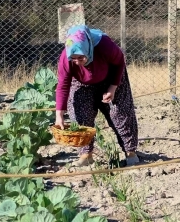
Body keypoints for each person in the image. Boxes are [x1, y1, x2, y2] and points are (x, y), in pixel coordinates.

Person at [55, 25, 139, 167]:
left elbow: (119, 62)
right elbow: (63, 85)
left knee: (119, 113)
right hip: (82, 82)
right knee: (80, 113)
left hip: (111, 76)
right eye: (73, 59)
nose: (77, 61)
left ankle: (130, 152)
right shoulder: (66, 58)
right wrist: (59, 115)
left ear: (88, 49)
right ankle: (86, 155)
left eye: (80, 57)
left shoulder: (104, 46)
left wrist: (112, 88)